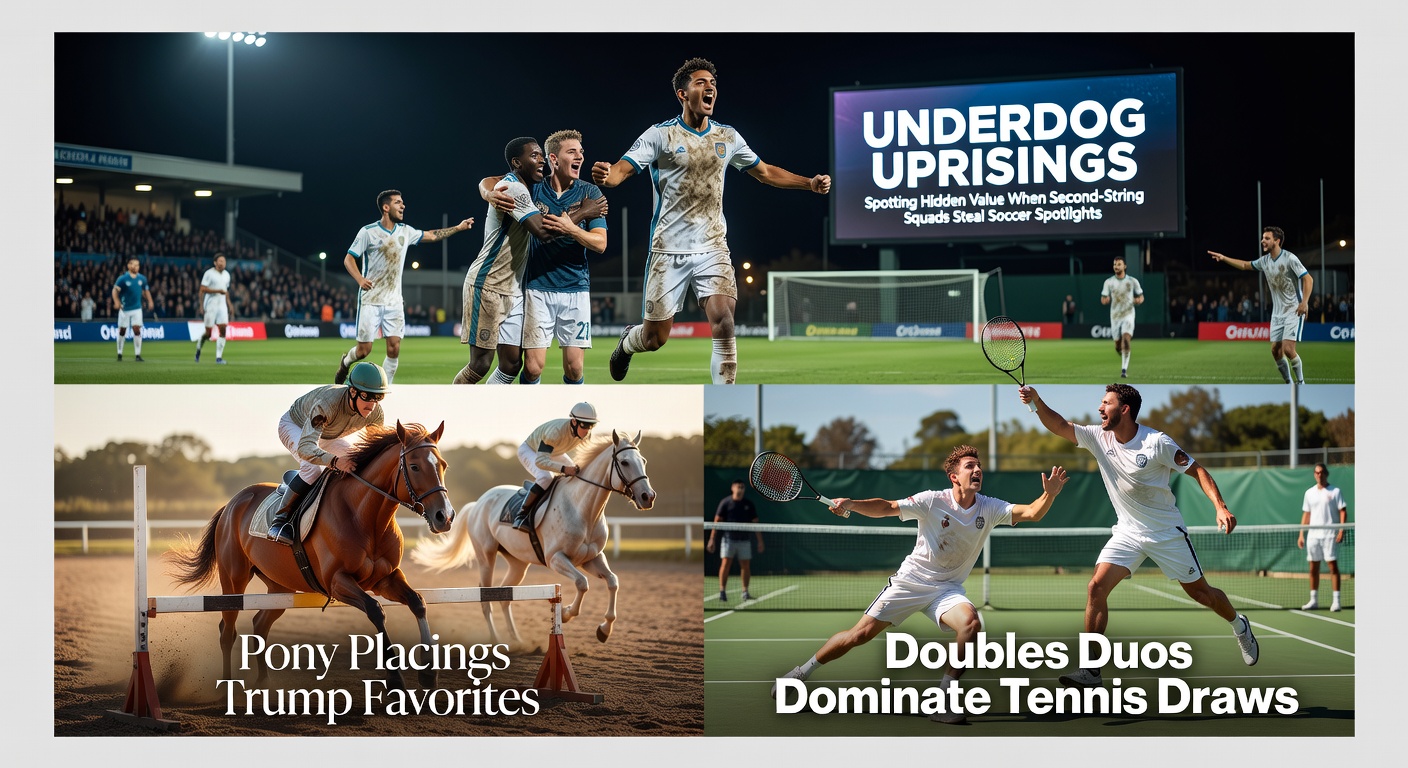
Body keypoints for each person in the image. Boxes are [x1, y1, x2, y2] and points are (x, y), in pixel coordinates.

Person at [770, 446, 1068, 725]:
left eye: (979, 466)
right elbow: (887, 507)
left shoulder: (989, 507)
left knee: (971, 624)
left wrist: (1050, 494)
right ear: (954, 477)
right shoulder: (932, 501)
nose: (977, 470)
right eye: (970, 466)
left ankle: (944, 699)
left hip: (948, 588)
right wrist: (851, 504)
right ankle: (800, 673)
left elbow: (1032, 512)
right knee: (857, 635)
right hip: (911, 582)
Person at [592, 57, 831, 384]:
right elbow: (622, 169)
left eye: (713, 84)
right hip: (668, 251)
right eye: (701, 83)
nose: (710, 88)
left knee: (724, 322)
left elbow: (765, 171)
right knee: (654, 340)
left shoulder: (728, 137)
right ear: (682, 94)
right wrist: (608, 176)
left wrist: (808, 182)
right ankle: (628, 341)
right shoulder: (661, 135)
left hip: (713, 247)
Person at [1017, 383, 1260, 688]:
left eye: (1106, 403)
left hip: (1165, 533)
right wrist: (1036, 401)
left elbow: (1197, 470)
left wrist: (1220, 507)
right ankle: (1092, 669)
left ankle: (1239, 626)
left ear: (1125, 409)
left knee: (1202, 594)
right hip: (1128, 532)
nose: (1099, 408)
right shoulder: (1098, 436)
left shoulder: (1157, 443)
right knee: (1095, 588)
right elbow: (1060, 425)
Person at [454, 138, 595, 385]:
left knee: (511, 364)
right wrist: (584, 212)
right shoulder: (515, 190)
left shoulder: (521, 186)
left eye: (542, 155)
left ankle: (490, 412)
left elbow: (489, 180)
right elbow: (544, 233)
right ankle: (451, 410)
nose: (540, 160)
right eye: (534, 156)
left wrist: (486, 190)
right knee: (480, 364)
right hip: (488, 285)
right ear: (517, 163)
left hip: (515, 290)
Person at [333, 190, 474, 385]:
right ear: (386, 207)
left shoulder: (405, 231)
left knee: (394, 348)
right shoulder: (368, 232)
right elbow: (349, 258)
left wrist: (458, 228)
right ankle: (346, 361)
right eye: (398, 202)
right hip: (371, 300)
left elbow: (432, 236)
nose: (403, 206)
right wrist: (359, 279)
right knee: (363, 351)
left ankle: (385, 388)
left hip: (394, 302)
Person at [267, 361, 390, 546]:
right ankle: (280, 521)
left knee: (355, 463)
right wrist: (334, 462)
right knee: (312, 470)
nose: (371, 405)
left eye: (378, 398)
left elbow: (373, 451)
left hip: (326, 433)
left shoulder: (375, 413)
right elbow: (306, 447)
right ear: (353, 391)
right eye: (367, 396)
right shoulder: (327, 404)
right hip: (296, 426)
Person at [1208, 226, 1312, 384]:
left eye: (1267, 238)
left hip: (1293, 309)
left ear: (1277, 241)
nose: (1263, 240)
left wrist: (1304, 303)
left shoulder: (1290, 258)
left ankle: (1302, 384)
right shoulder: (1265, 261)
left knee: (1288, 349)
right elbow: (1244, 265)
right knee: (1275, 351)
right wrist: (1224, 258)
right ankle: (1289, 384)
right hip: (1277, 314)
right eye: (1263, 238)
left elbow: (1308, 279)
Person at [512, 402, 599, 531]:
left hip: (554, 451)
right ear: (574, 422)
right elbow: (541, 461)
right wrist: (564, 469)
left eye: (591, 426)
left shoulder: (586, 434)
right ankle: (521, 515)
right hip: (531, 450)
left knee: (579, 473)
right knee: (545, 477)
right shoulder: (555, 432)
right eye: (584, 425)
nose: (587, 431)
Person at [1298, 463, 1349, 612]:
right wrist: (1301, 534)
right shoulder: (1309, 493)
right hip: (1313, 536)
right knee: (1313, 568)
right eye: (1316, 472)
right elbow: (1306, 514)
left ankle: (1336, 601)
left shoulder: (1335, 491)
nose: (1319, 475)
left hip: (1329, 535)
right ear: (1314, 474)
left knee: (1333, 566)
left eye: (1322, 472)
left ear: (1326, 474)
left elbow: (1343, 511)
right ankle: (1313, 600)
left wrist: (1341, 529)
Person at [707, 479, 763, 602]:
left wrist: (760, 541)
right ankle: (722, 591)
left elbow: (755, 523)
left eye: (742, 487)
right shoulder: (725, 503)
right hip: (728, 540)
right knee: (725, 564)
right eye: (738, 486)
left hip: (744, 541)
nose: (740, 489)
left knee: (746, 566)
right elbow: (716, 522)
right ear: (733, 488)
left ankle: (745, 592)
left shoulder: (748, 504)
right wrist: (712, 539)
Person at [1100, 256, 1143, 378]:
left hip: (1128, 314)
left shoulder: (1132, 281)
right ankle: (1121, 350)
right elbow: (1103, 298)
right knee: (1118, 345)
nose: (1116, 267)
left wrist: (1139, 300)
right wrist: (1105, 300)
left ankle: (1124, 370)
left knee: (1126, 339)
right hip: (1115, 316)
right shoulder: (1109, 282)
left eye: (1118, 264)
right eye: (1114, 264)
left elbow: (1141, 296)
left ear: (1124, 266)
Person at [111, 257, 153, 362]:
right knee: (122, 331)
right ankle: (119, 353)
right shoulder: (123, 278)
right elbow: (114, 291)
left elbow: (146, 291)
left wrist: (150, 301)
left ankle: (138, 355)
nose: (136, 267)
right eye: (134, 264)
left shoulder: (142, 279)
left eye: (138, 265)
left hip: (137, 309)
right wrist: (117, 302)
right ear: (129, 266)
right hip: (125, 309)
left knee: (136, 330)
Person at [195, 253, 233, 364]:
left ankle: (219, 358)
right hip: (211, 304)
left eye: (224, 261)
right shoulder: (209, 273)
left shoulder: (227, 275)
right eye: (220, 261)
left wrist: (229, 304)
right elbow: (202, 289)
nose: (222, 263)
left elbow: (226, 291)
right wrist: (201, 306)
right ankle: (198, 348)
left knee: (223, 329)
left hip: (222, 305)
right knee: (208, 334)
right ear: (215, 262)